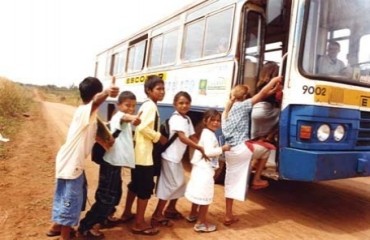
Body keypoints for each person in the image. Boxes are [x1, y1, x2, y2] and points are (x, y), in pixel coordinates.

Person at [46, 76, 119, 240]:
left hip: (74, 165)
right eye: (100, 94)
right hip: (71, 166)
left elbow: (94, 135)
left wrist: (106, 141)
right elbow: (95, 103)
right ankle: (65, 235)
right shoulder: (84, 111)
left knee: (75, 197)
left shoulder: (90, 116)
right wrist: (107, 92)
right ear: (96, 95)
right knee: (69, 201)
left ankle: (57, 226)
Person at [77, 91, 141, 239]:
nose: (130, 109)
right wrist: (133, 117)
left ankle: (104, 218)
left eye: (133, 106)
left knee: (114, 194)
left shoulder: (120, 118)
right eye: (127, 105)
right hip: (111, 163)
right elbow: (125, 117)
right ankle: (87, 227)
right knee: (106, 197)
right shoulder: (119, 116)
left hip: (114, 163)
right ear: (119, 105)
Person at [221, 75, 282, 227]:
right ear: (245, 97)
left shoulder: (226, 111)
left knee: (231, 183)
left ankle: (228, 215)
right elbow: (261, 94)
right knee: (268, 149)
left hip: (229, 152)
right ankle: (256, 179)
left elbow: (262, 95)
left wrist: (272, 90)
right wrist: (276, 79)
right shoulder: (243, 106)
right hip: (242, 150)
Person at [151, 91, 207, 227]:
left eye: (187, 103)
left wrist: (205, 145)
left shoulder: (186, 119)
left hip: (176, 158)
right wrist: (199, 148)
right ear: (175, 105)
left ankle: (170, 209)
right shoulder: (176, 118)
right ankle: (157, 214)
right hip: (169, 157)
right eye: (181, 103)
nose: (184, 106)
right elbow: (183, 137)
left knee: (180, 183)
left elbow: (193, 136)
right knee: (170, 185)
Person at [123, 75, 166, 236]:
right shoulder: (150, 107)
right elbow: (141, 128)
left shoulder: (148, 105)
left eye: (163, 89)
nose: (162, 92)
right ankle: (139, 223)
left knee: (135, 185)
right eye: (158, 89)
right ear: (149, 91)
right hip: (144, 155)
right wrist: (158, 137)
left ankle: (127, 213)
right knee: (145, 189)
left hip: (139, 154)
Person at [185, 109, 230, 233]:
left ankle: (193, 214)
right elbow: (209, 152)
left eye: (218, 120)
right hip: (204, 170)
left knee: (198, 193)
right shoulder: (209, 135)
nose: (216, 123)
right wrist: (223, 148)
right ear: (205, 121)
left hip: (199, 168)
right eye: (213, 120)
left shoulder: (206, 132)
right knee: (205, 196)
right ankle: (201, 223)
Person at [250, 62, 282, 190]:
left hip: (256, 111)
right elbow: (278, 99)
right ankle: (256, 178)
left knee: (257, 140)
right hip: (266, 111)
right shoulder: (273, 84)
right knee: (285, 117)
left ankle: (254, 164)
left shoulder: (260, 84)